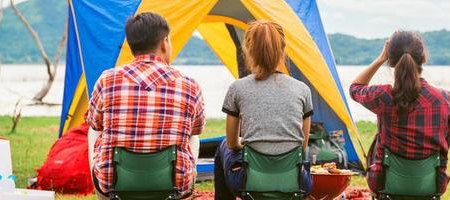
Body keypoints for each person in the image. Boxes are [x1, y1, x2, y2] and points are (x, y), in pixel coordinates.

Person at [85, 12, 206, 199]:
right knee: (193, 136)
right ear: (165, 42)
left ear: (131, 45)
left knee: (94, 129)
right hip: (173, 186)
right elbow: (196, 129)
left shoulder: (107, 79)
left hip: (113, 185)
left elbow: (95, 124)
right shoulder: (189, 85)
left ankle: (102, 179)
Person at [213, 20, 313, 199]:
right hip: (296, 182)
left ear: (248, 50)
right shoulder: (302, 89)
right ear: (282, 50)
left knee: (222, 146)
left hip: (247, 182)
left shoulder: (237, 88)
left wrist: (247, 144)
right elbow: (303, 144)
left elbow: (232, 143)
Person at [350, 31, 450, 196]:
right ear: (424, 58)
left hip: (384, 183)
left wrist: (380, 59)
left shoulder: (383, 96)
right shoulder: (444, 99)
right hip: (432, 184)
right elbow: (445, 142)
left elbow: (355, 88)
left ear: (390, 61)